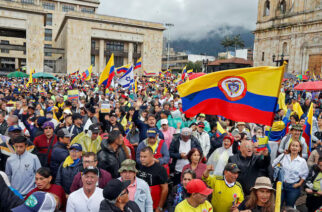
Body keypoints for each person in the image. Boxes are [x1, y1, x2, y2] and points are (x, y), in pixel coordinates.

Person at [272, 140, 309, 207]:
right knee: (278, 205)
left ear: (300, 149)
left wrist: (299, 184)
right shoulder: (283, 156)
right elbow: (273, 164)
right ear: (289, 147)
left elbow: (305, 174)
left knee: (289, 207)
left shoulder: (302, 161)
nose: (294, 148)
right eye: (293, 145)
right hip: (281, 185)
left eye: (296, 146)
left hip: (293, 187)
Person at [137, 147, 168, 212]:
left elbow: (165, 189)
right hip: (142, 203)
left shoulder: (160, 169)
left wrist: (160, 207)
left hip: (154, 205)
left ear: (152, 156)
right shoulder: (141, 167)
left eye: (145, 157)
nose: (142, 159)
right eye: (141, 156)